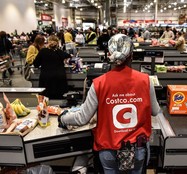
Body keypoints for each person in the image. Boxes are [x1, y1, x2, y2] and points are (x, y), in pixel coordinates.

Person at [58, 34, 160, 173]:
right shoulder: (145, 80)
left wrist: (63, 118)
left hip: (108, 149)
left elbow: (82, 117)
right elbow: (155, 111)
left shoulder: (99, 84)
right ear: (131, 55)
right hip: (138, 149)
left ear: (109, 55)